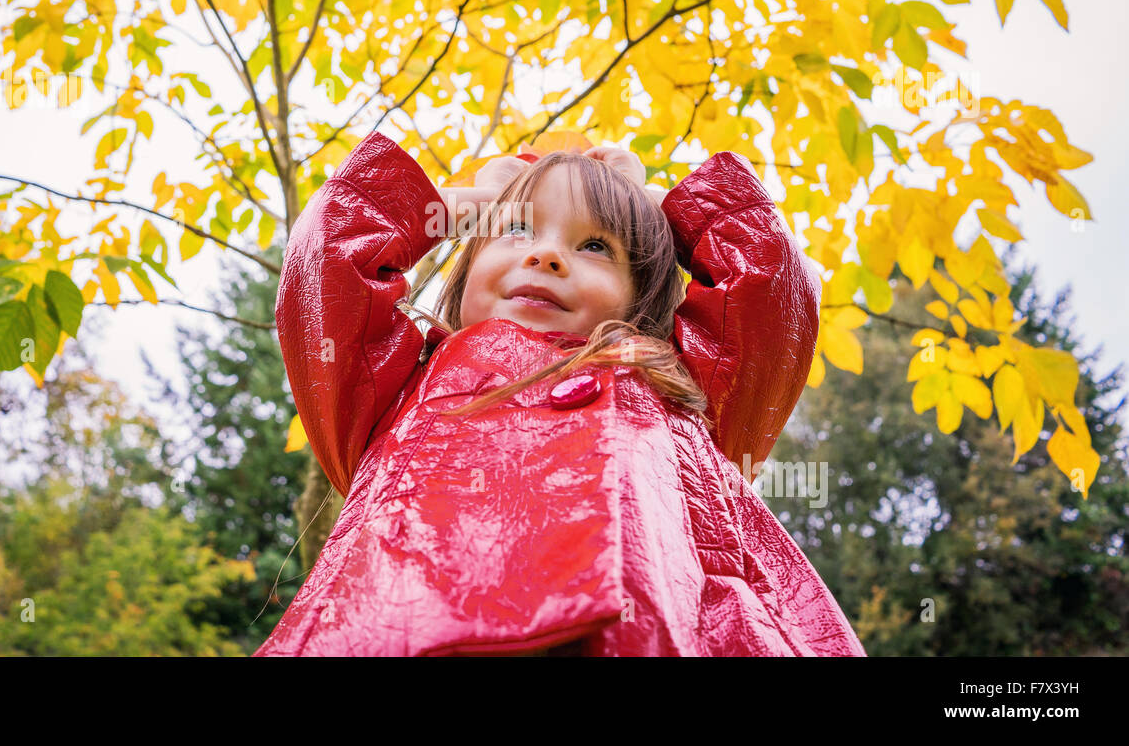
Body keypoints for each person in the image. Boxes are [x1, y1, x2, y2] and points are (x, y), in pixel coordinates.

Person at [253, 131, 865, 656]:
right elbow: (327, 260)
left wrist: (651, 210)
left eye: (596, 245)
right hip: (407, 622)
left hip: (666, 628)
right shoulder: (397, 383)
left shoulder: (680, 384)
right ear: (465, 275)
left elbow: (770, 282)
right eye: (516, 230)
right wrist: (466, 203)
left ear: (641, 297)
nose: (546, 254)